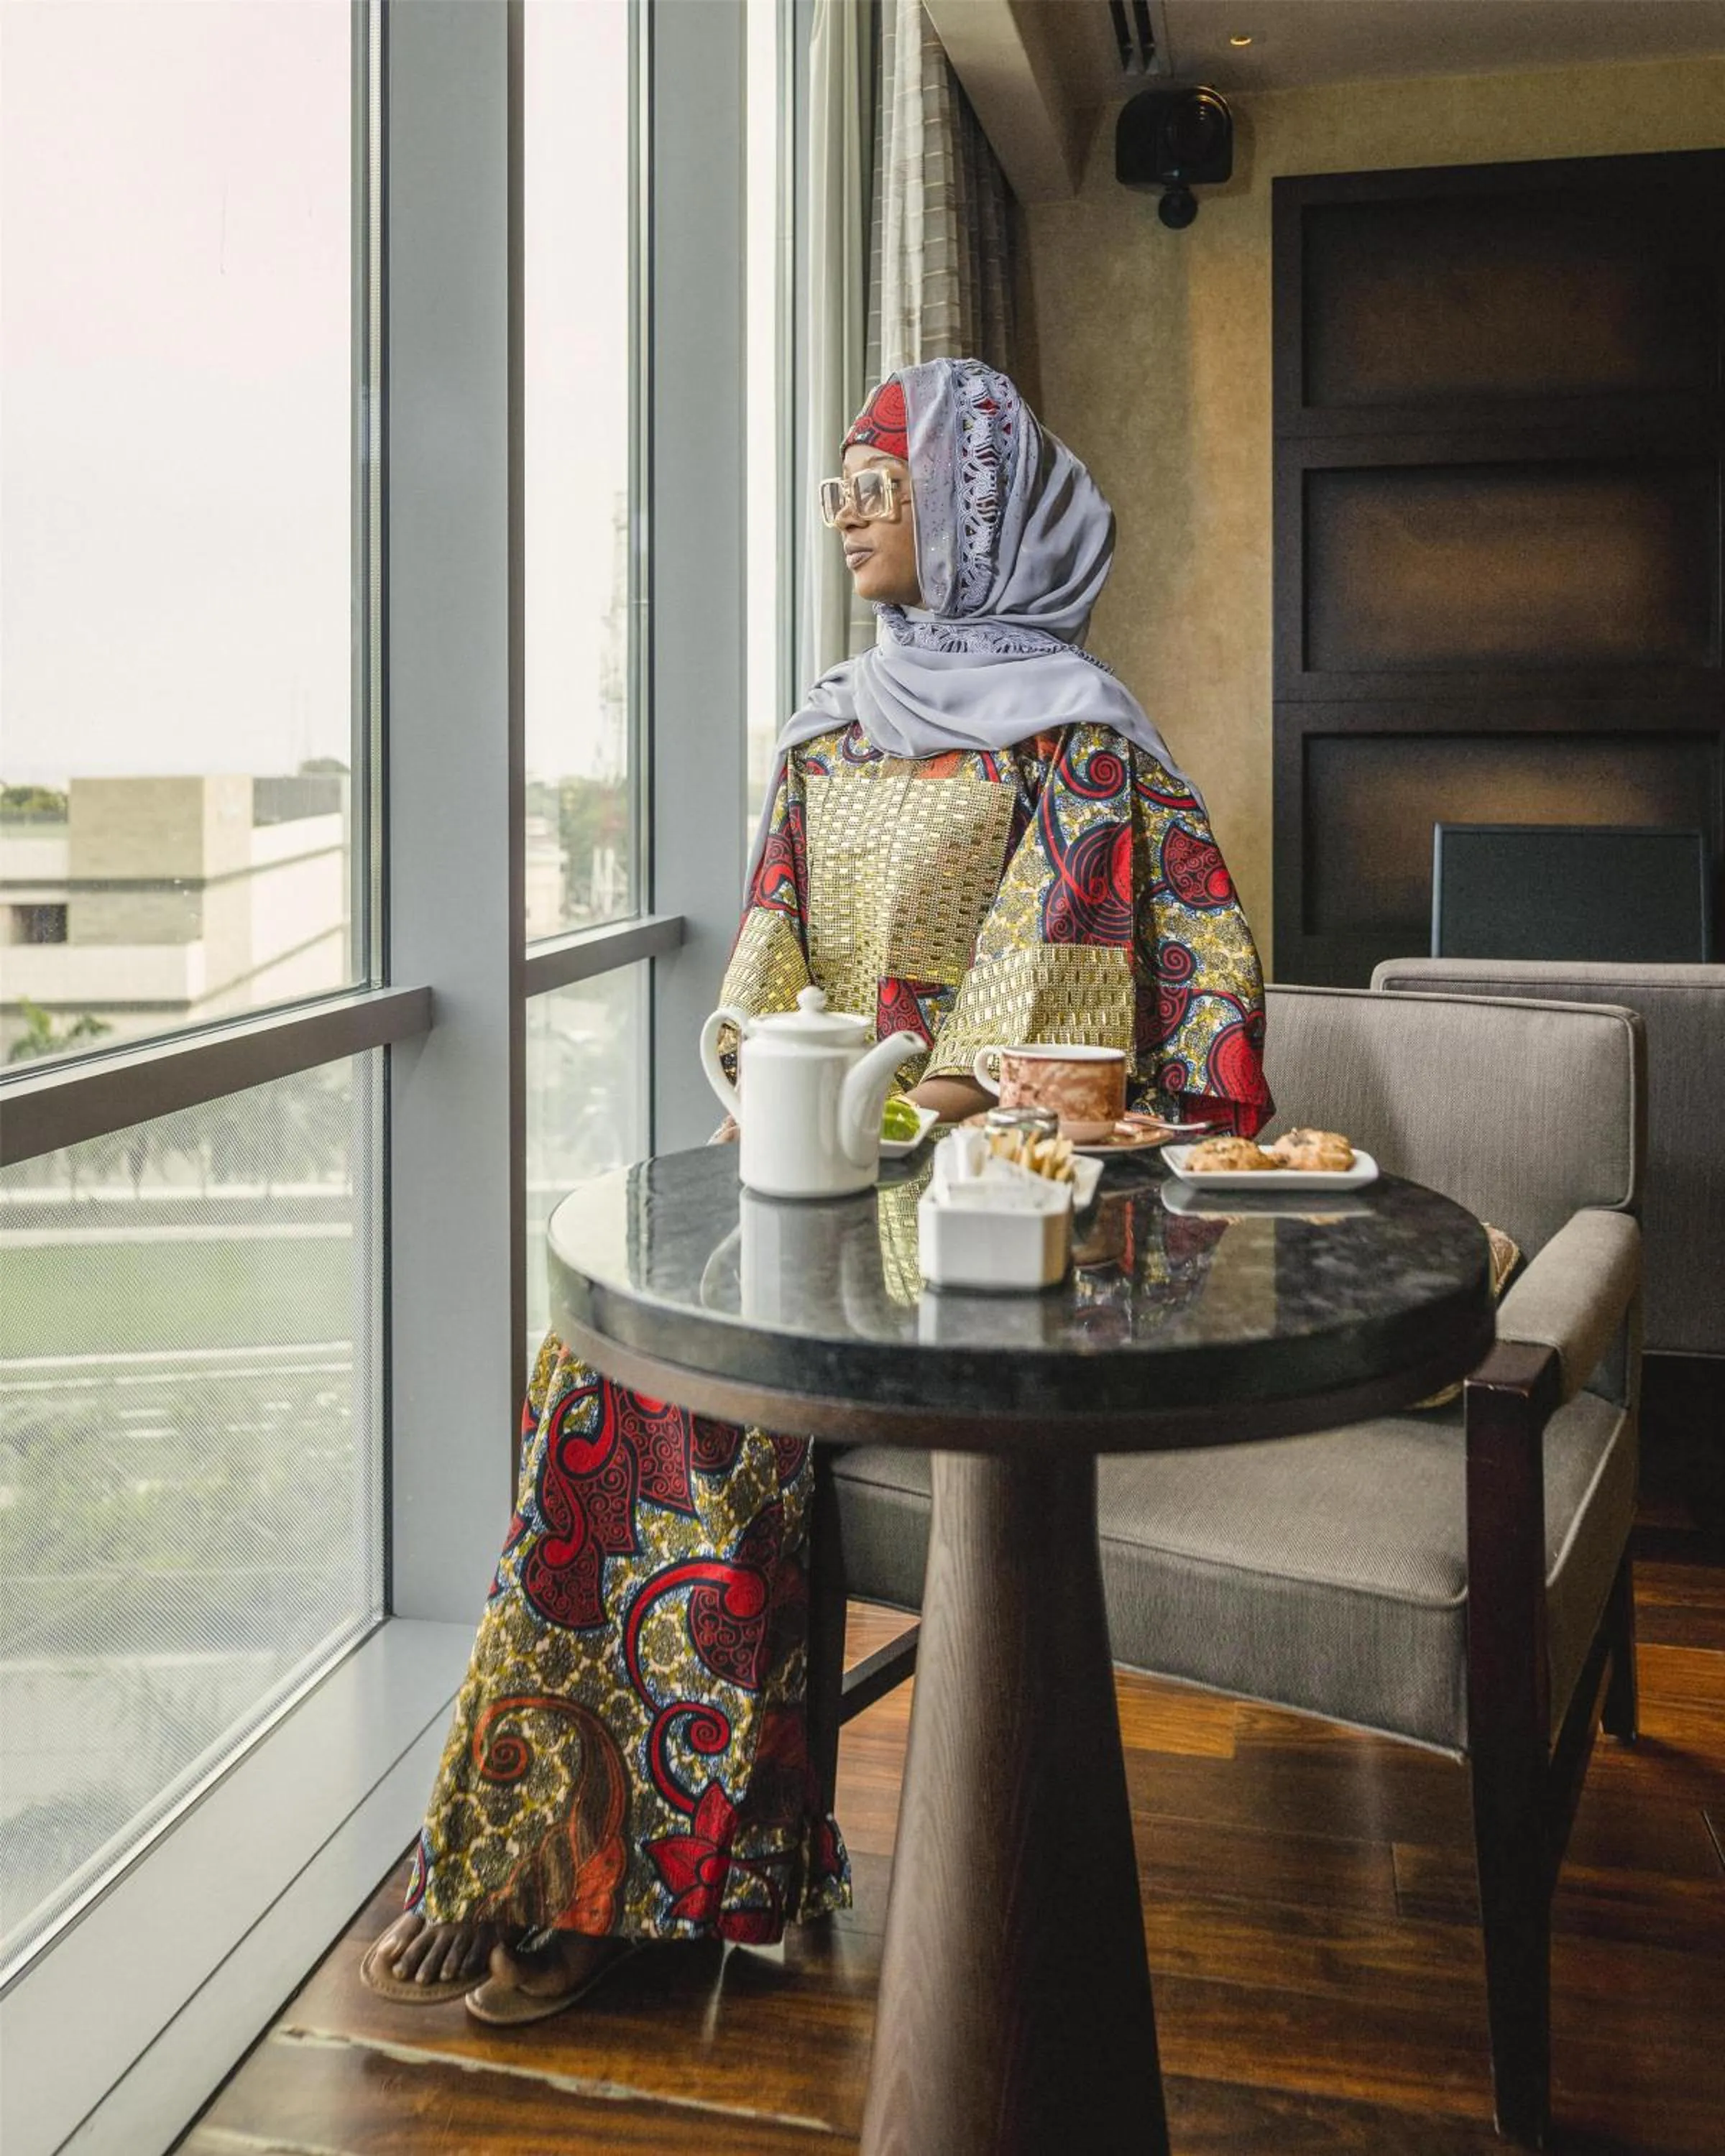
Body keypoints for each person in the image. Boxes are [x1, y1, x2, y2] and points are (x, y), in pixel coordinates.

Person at [362, 356, 1271, 2023]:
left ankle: (629, 1887)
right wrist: (775, 1093)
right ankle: (546, 1843)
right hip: (818, 1162)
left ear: (976, 514)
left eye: (881, 486)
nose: (846, 514)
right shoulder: (830, 726)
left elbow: (1049, 1015)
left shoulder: (1077, 743)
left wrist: (872, 1116)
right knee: (608, 1357)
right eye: (840, 485)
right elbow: (769, 951)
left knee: (707, 1390)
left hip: (989, 1198)